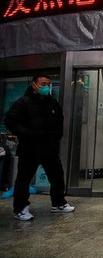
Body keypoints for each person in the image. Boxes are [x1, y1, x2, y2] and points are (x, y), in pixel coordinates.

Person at [4, 74, 75, 221]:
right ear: (34, 85)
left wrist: (56, 138)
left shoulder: (52, 103)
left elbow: (59, 122)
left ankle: (58, 203)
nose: (46, 86)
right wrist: (27, 134)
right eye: (43, 83)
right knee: (24, 179)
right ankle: (20, 209)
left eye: (48, 84)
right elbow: (10, 121)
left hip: (49, 147)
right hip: (30, 148)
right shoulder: (23, 102)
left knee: (57, 176)